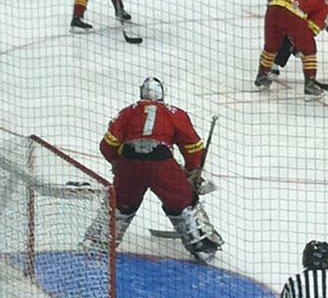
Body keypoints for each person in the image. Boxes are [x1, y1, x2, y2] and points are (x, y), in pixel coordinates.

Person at [83, 78, 224, 262]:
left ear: (141, 93)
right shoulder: (175, 113)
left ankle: (99, 242)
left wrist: (118, 164)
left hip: (129, 161)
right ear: (162, 95)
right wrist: (191, 173)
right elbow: (193, 148)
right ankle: (201, 244)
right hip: (161, 163)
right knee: (182, 201)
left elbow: (107, 145)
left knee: (121, 203)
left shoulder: (127, 112)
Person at [254, 0, 328, 97]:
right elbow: (311, 29)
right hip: (293, 13)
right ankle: (310, 84)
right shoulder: (325, 5)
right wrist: (299, 45)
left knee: (271, 46)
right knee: (309, 50)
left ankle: (262, 75)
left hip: (273, 7)